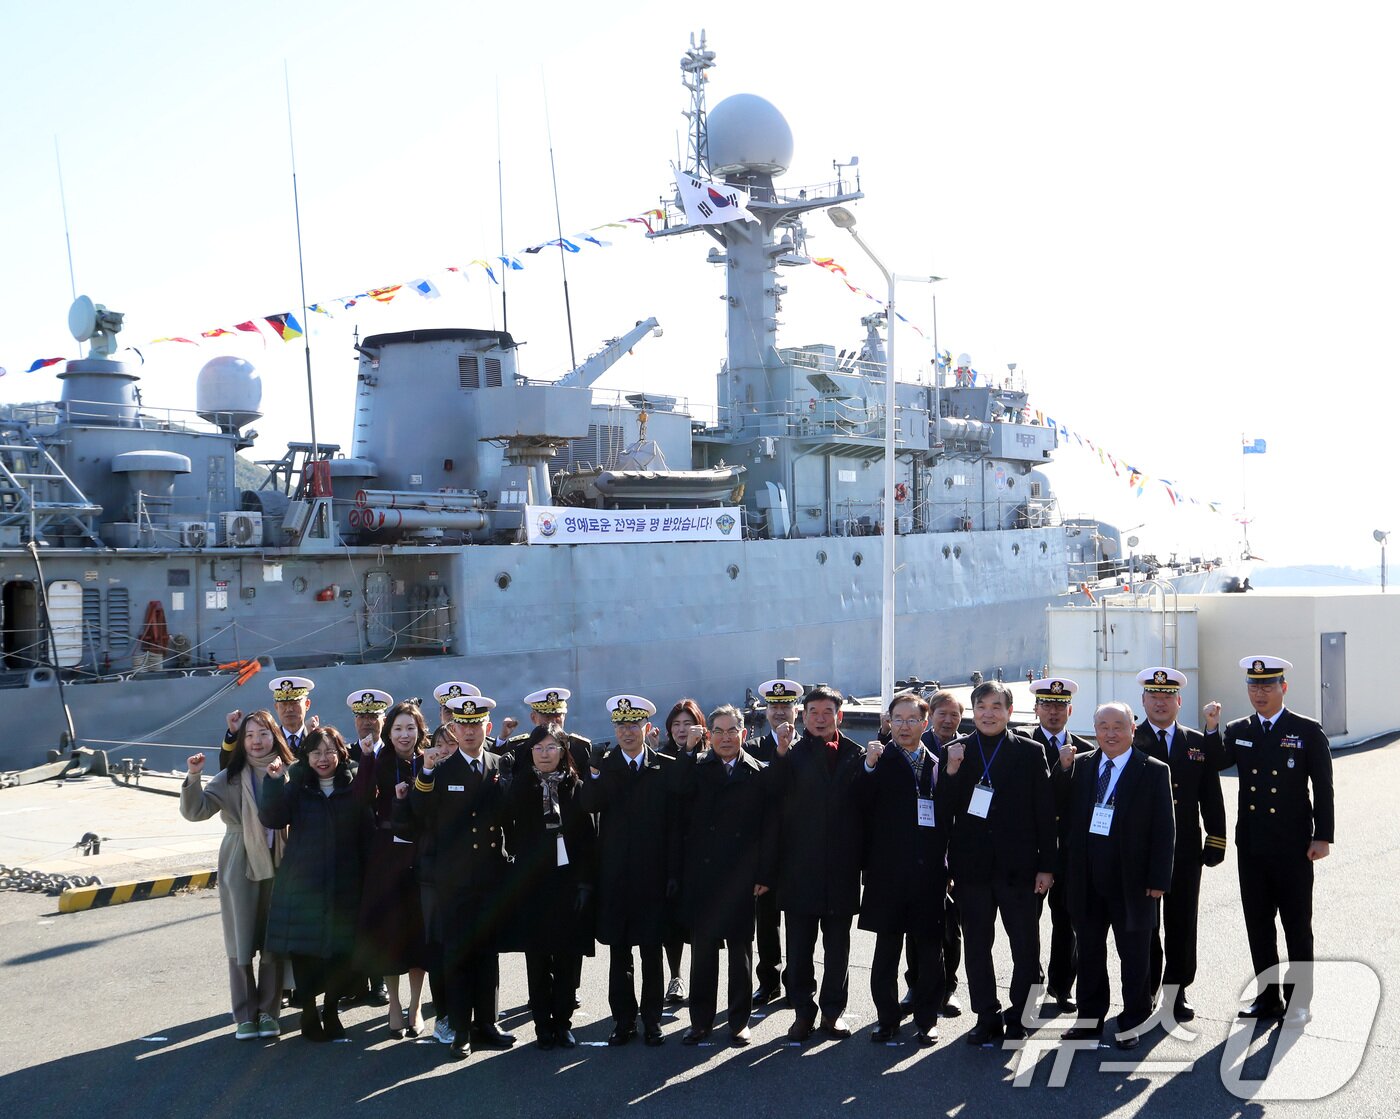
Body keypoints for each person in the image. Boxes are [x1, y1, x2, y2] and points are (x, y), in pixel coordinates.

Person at [1203, 655, 1334, 1024]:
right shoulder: (1239, 728)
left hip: (1294, 846)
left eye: (1267, 685)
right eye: (1253, 686)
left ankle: (1299, 1001)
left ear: (1283, 688)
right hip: (1254, 845)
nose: (1259, 693)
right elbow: (1216, 761)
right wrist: (1211, 728)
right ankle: (1267, 998)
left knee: (1296, 924)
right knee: (1258, 924)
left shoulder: (1306, 730)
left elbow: (1323, 788)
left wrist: (1322, 836)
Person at [942, 680, 1057, 1045]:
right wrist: (952, 773)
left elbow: (1045, 812)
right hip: (972, 869)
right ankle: (986, 1015)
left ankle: (1021, 1014)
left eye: (996, 707)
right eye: (981, 706)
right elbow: (942, 812)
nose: (988, 713)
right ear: (972, 711)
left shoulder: (1030, 750)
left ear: (1009, 711)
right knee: (977, 945)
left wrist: (1047, 866)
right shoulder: (955, 751)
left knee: (1025, 946)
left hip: (1019, 868)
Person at [1059, 702, 1175, 1050]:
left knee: (1135, 955)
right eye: (1103, 726)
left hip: (1133, 883)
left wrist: (1159, 880)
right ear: (1094, 729)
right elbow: (1057, 810)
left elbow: (1164, 829)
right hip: (1087, 879)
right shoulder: (1079, 766)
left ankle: (1134, 1020)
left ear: (1132, 729)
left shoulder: (1153, 770)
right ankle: (1089, 1019)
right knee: (1090, 952)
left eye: (1118, 726)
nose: (1110, 733)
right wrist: (1061, 772)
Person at [406, 695, 515, 1059]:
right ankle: (461, 1028)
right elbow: (418, 813)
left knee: (487, 952)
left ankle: (488, 1021)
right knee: (457, 954)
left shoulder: (500, 764)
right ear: (453, 729)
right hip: (453, 879)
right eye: (462, 725)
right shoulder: (441, 768)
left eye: (476, 725)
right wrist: (424, 772)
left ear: (487, 727)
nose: (469, 731)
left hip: (489, 876)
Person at [181, 710, 295, 1039]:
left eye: (263, 734)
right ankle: (245, 1014)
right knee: (240, 942)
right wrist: (193, 777)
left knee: (274, 940)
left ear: (275, 736)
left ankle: (269, 1012)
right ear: (242, 742)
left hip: (281, 861)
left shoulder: (290, 772)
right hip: (238, 860)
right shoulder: (231, 776)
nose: (257, 741)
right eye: (250, 735)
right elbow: (195, 811)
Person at [259, 726, 372, 1041]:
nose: (323, 759)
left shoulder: (353, 787)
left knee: (339, 953)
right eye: (316, 752)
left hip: (344, 882)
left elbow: (367, 832)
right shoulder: (296, 787)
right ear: (306, 756)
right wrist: (272, 781)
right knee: (305, 953)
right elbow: (272, 818)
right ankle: (308, 1010)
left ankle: (332, 1009)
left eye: (330, 751)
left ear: (340, 753)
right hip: (303, 883)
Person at [767, 684, 864, 1042]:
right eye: (813, 713)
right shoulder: (789, 755)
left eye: (827, 713)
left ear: (839, 716)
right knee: (799, 949)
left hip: (841, 869)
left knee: (837, 949)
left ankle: (833, 1013)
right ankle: (803, 1012)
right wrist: (779, 752)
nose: (820, 719)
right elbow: (772, 799)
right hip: (799, 870)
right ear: (803, 716)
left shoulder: (857, 755)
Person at [674, 704, 775, 1046]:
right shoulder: (698, 768)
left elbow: (768, 828)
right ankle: (700, 1021)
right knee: (703, 953)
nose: (726, 738)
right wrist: (688, 751)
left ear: (744, 734)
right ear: (708, 735)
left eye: (733, 731)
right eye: (718, 731)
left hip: (741, 876)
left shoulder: (757, 772)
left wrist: (763, 873)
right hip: (704, 875)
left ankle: (738, 1021)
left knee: (741, 953)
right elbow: (677, 793)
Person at [580, 694, 678, 1047]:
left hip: (652, 878)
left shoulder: (663, 767)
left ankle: (652, 1020)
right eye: (620, 725)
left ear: (646, 728)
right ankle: (623, 1021)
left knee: (651, 954)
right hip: (616, 877)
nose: (626, 731)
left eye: (633, 725)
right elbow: (588, 805)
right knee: (619, 954)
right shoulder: (605, 767)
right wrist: (592, 774)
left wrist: (672, 873)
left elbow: (674, 825)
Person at [857, 692, 954, 1047]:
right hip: (887, 874)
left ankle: (928, 1019)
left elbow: (948, 819)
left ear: (924, 724)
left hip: (929, 874)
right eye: (897, 719)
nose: (904, 726)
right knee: (886, 952)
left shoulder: (938, 762)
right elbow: (860, 805)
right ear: (888, 722)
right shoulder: (876, 760)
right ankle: (887, 1019)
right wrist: (867, 767)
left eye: (912, 720)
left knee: (930, 952)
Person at [1133, 667, 1226, 1022]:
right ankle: (1146, 987)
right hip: (1141, 851)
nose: (1160, 702)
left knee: (1183, 921)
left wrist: (1215, 839)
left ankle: (1177, 990)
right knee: (1145, 923)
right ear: (1143, 701)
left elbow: (1211, 795)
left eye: (1167, 696)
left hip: (1185, 849)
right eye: (1153, 697)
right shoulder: (1130, 738)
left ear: (1179, 701)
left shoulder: (1196, 743)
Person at [502, 720, 597, 1050]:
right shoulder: (522, 786)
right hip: (533, 884)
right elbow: (509, 828)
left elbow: (587, 838)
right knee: (538, 956)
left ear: (563, 751)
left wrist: (585, 883)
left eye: (551, 747)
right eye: (538, 748)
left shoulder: (576, 787)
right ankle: (543, 1024)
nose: (545, 754)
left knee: (568, 956)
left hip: (568, 882)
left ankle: (563, 1021)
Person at [357, 700, 429, 1038]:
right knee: (390, 931)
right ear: (389, 731)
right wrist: (367, 758)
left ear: (419, 731)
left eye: (410, 728)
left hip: (420, 852)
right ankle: (395, 1005)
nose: (404, 734)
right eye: (398, 728)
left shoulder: (428, 761)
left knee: (417, 931)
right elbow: (360, 798)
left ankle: (416, 1006)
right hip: (387, 854)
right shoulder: (379, 760)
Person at [1027, 677, 1091, 1015]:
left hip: (1069, 851)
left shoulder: (1086, 751)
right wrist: (1060, 768)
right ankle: (1031, 980)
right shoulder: (1021, 743)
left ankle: (1062, 986)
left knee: (1068, 922)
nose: (1053, 712)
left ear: (1070, 709)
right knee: (1027, 921)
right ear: (1036, 709)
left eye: (1059, 706)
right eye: (1046, 705)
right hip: (1032, 850)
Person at [747, 678, 800, 1006]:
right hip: (766, 851)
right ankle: (769, 981)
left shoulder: (809, 748)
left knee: (799, 923)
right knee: (766, 924)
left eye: (786, 706)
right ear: (766, 712)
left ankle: (796, 981)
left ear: (797, 710)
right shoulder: (753, 750)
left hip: (800, 850)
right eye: (774, 707)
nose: (780, 712)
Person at [653, 698, 708, 1007]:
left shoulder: (710, 757)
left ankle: (700, 979)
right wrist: (686, 752)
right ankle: (675, 976)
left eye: (688, 723)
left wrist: (692, 751)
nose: (681, 729)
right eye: (676, 724)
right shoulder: (662, 758)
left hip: (700, 850)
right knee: (671, 919)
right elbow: (676, 787)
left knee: (700, 919)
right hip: (668, 848)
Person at [218, 675, 319, 769]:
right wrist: (233, 734)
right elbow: (228, 767)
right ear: (276, 707)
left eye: (294, 703)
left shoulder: (317, 740)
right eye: (283, 704)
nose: (289, 709)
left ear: (307, 704)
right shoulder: (267, 741)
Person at [347, 688, 393, 763]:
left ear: (384, 721)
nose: (366, 722)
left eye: (373, 717)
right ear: (355, 721)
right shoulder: (345, 755)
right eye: (361, 716)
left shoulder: (393, 755)